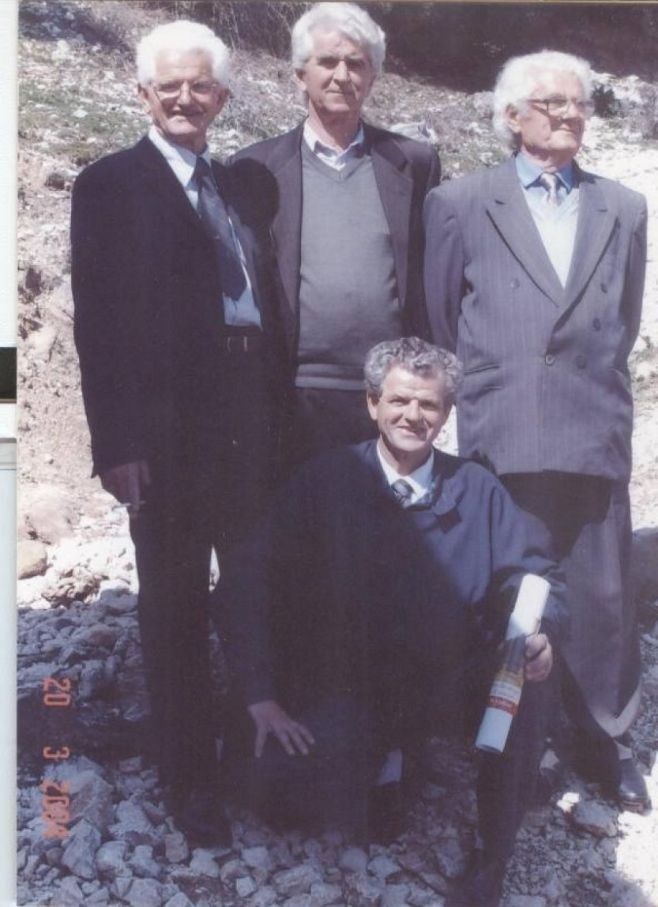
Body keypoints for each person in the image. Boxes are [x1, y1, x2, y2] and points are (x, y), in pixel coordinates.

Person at [217, 338, 568, 907]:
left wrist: (543, 629)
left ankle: (493, 853)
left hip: (446, 683)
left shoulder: (477, 489)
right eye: (400, 400)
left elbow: (533, 573)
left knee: (525, 675)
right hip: (350, 686)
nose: (413, 415)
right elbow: (245, 581)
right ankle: (389, 766)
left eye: (429, 404)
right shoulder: (326, 480)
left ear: (446, 415)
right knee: (270, 787)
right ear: (372, 403)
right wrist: (261, 695)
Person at [71, 20, 284, 843]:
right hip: (165, 437)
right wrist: (116, 443)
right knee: (174, 604)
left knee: (256, 590)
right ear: (143, 94)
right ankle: (189, 776)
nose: (186, 99)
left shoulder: (238, 184)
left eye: (201, 86)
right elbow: (98, 324)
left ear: (222, 97)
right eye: (171, 86)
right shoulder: (110, 184)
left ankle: (256, 757)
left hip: (249, 421)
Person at [423, 50, 649, 811]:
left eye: (580, 103)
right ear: (512, 116)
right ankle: (523, 737)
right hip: (503, 423)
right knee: (513, 588)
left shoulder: (624, 206)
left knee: (604, 591)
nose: (570, 115)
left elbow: (623, 319)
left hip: (592, 423)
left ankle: (604, 738)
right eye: (552, 103)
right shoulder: (460, 202)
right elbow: (441, 316)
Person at [232, 2, 441, 467]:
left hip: (389, 391)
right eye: (328, 62)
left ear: (373, 77)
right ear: (299, 74)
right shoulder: (254, 168)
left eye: (356, 63)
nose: (342, 75)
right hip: (295, 393)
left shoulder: (412, 162)